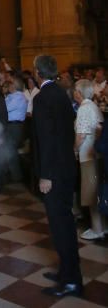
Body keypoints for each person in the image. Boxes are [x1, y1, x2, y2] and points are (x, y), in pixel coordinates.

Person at [32, 54, 83, 298]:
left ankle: (71, 280)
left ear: (37, 73)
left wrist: (46, 175)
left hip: (54, 172)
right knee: (65, 223)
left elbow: (47, 140)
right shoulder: (62, 94)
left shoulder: (43, 98)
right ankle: (66, 271)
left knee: (61, 226)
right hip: (66, 168)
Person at [73, 79, 104, 240]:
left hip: (87, 156)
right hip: (96, 154)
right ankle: (102, 226)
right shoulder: (93, 106)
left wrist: (74, 149)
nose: (73, 93)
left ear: (79, 92)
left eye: (75, 90)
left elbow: (81, 136)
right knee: (96, 191)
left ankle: (97, 229)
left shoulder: (84, 109)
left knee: (91, 194)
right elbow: (99, 129)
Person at [5, 75, 28, 183]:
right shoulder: (11, 96)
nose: (8, 85)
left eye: (10, 83)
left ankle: (17, 176)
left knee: (11, 150)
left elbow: (6, 108)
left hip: (15, 126)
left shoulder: (19, 97)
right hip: (10, 126)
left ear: (15, 85)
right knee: (8, 150)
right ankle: (12, 174)